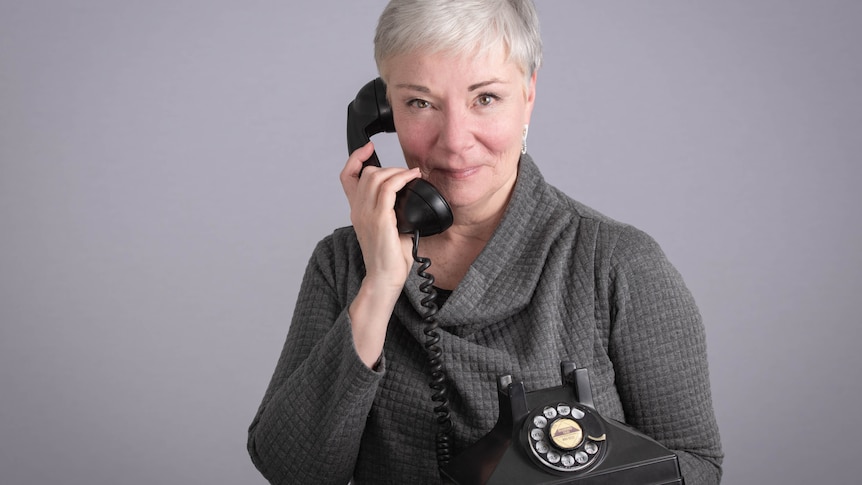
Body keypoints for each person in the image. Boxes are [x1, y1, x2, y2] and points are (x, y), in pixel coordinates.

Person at [247, 0, 723, 483]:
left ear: (528, 95)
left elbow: (696, 465)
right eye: (420, 103)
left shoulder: (616, 263)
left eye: (486, 98)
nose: (455, 141)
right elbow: (293, 471)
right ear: (381, 113)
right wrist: (380, 286)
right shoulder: (343, 264)